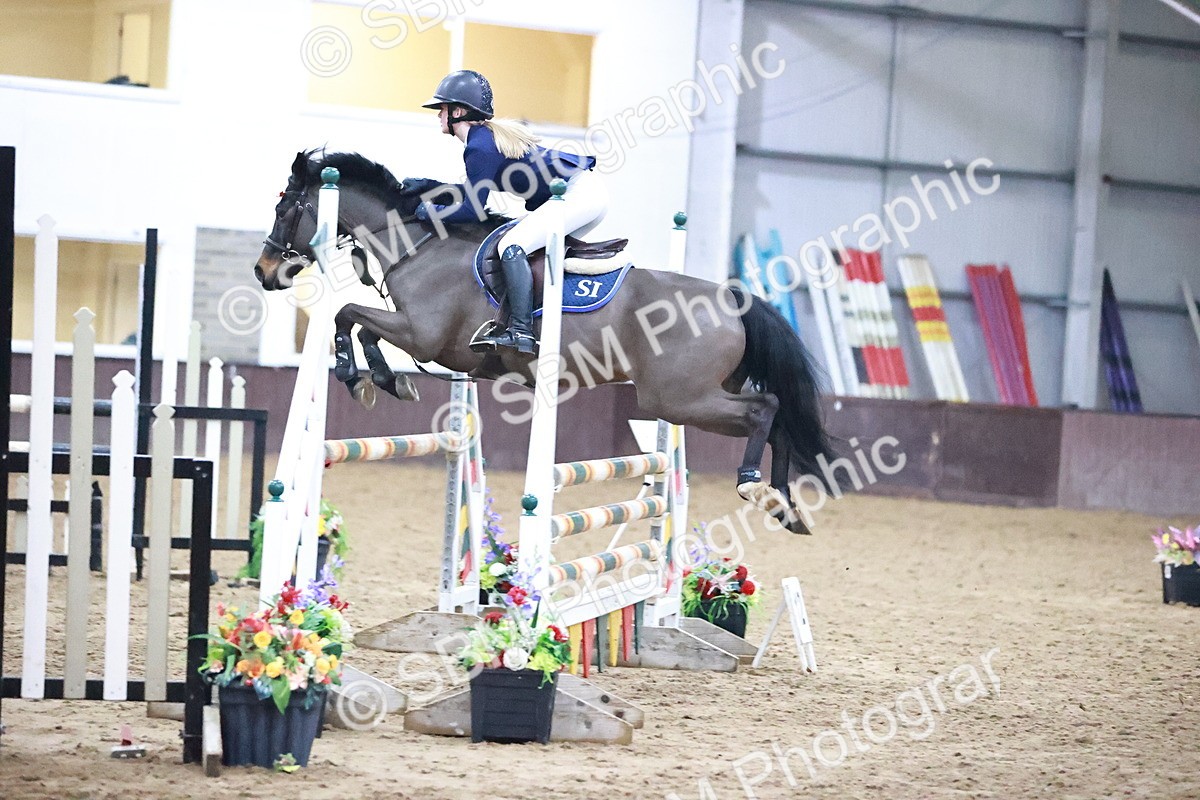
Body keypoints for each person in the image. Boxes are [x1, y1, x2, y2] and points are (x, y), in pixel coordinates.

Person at [417, 69, 607, 354]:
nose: (439, 115)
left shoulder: (479, 147)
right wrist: (427, 185)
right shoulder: (484, 140)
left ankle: (521, 332)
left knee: (511, 245)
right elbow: (473, 191)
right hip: (584, 194)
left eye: (442, 109)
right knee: (531, 249)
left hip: (579, 195)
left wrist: (431, 213)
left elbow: (472, 210)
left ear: (458, 112)